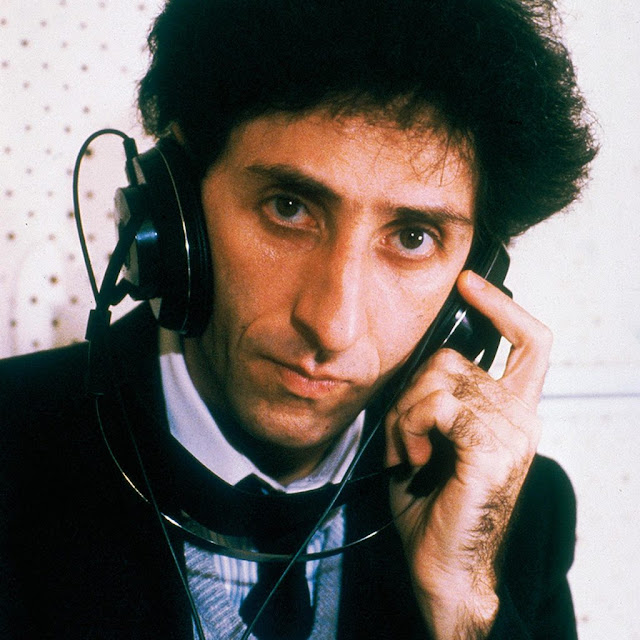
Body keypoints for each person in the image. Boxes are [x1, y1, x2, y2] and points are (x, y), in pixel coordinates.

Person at [0, 0, 597, 638]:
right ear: (176, 212)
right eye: (288, 208)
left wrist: (462, 605)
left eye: (413, 238)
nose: (332, 326)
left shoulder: (505, 520)